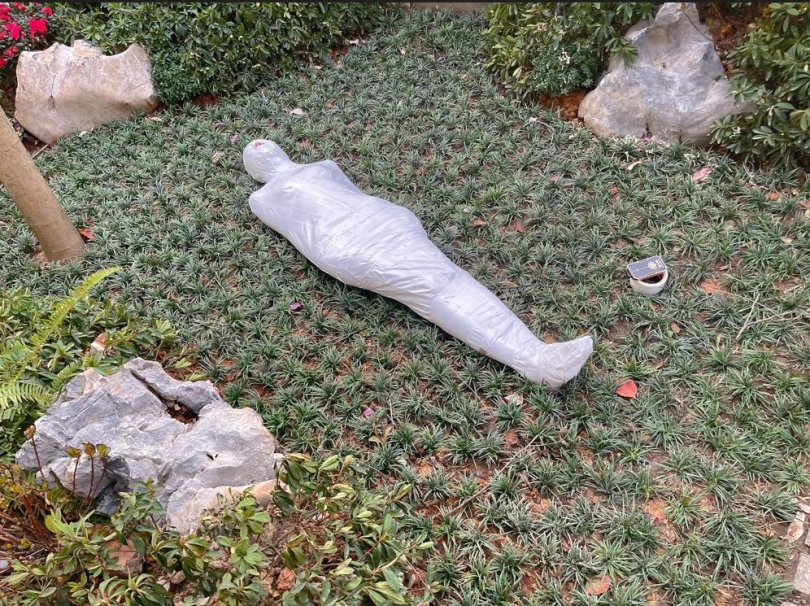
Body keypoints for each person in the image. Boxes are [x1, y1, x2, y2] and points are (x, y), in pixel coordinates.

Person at [244, 139, 593, 389]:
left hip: (382, 222)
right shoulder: (262, 197)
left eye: (265, 145)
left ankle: (538, 355)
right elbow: (295, 230)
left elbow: (350, 195)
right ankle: (535, 362)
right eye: (257, 152)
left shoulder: (321, 167)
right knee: (433, 289)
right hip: (350, 245)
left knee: (448, 279)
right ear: (255, 170)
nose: (265, 151)